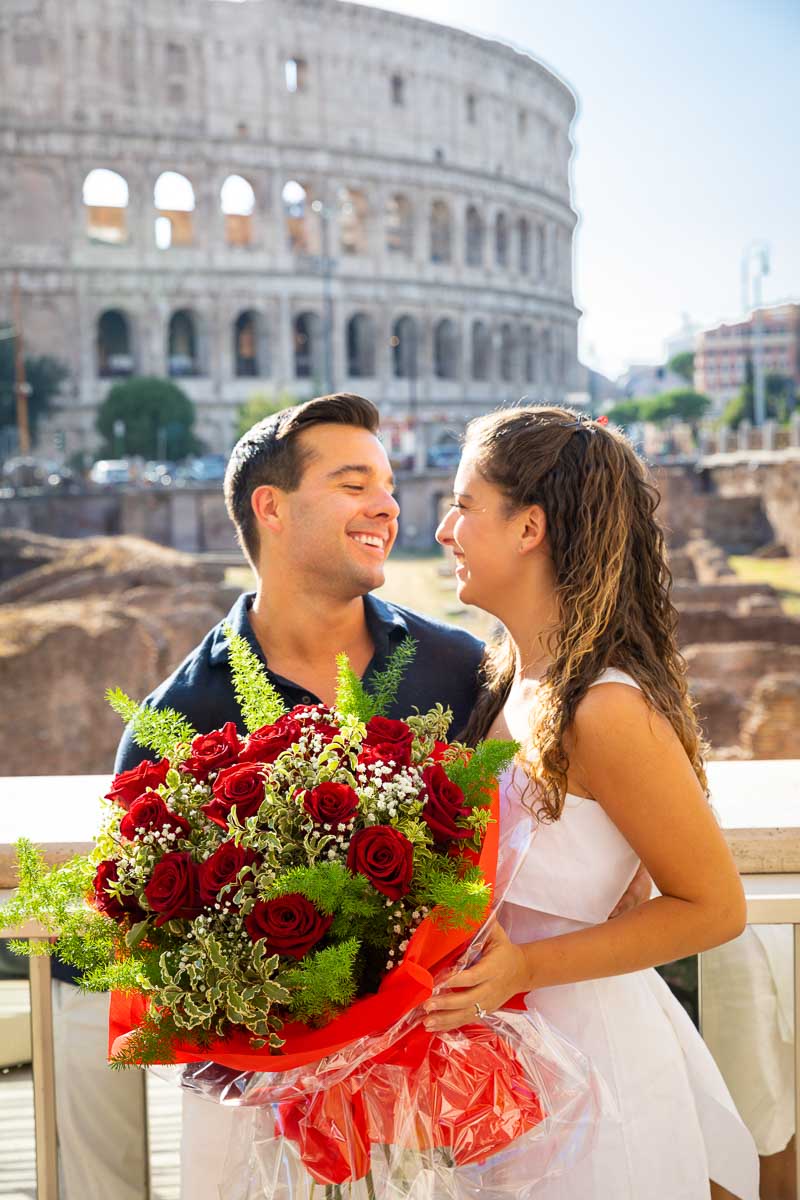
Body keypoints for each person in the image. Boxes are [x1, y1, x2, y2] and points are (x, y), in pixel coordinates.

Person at [113, 393, 649, 1198]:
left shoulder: (464, 669)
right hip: (261, 1125)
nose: (389, 506)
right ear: (272, 508)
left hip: (448, 1116)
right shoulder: (176, 718)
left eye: (389, 484)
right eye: (354, 482)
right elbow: (142, 936)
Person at [425, 405, 760, 1199]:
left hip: (596, 1083)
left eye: (465, 505)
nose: (444, 529)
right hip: (507, 1072)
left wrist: (526, 966)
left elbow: (716, 907)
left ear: (530, 527)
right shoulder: (509, 678)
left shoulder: (606, 708)